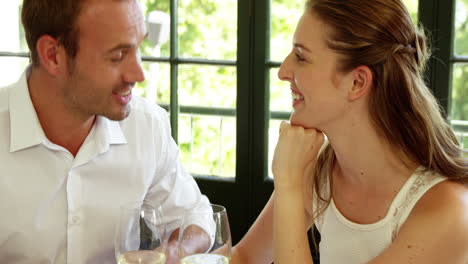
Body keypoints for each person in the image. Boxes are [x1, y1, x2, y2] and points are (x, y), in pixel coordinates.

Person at [231, 0, 468, 263]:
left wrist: (288, 183)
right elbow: (244, 257)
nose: (283, 72)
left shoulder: (446, 211)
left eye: (301, 56)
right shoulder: (321, 169)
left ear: (357, 82)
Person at [0, 0, 212, 263]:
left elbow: (195, 217)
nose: (138, 73)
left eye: (138, 48)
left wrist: (177, 251)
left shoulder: (146, 126)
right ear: (53, 55)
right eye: (118, 56)